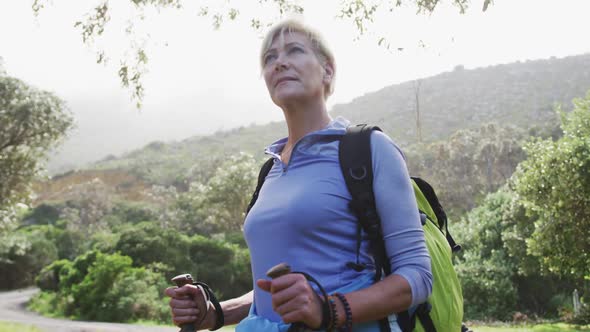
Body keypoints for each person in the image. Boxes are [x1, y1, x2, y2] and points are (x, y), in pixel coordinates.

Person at [165, 19, 432, 332]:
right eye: (269, 58)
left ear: (327, 70)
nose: (280, 62)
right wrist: (216, 313)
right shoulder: (270, 170)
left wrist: (329, 310)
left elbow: (416, 276)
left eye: (294, 50)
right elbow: (278, 294)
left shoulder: (368, 149)